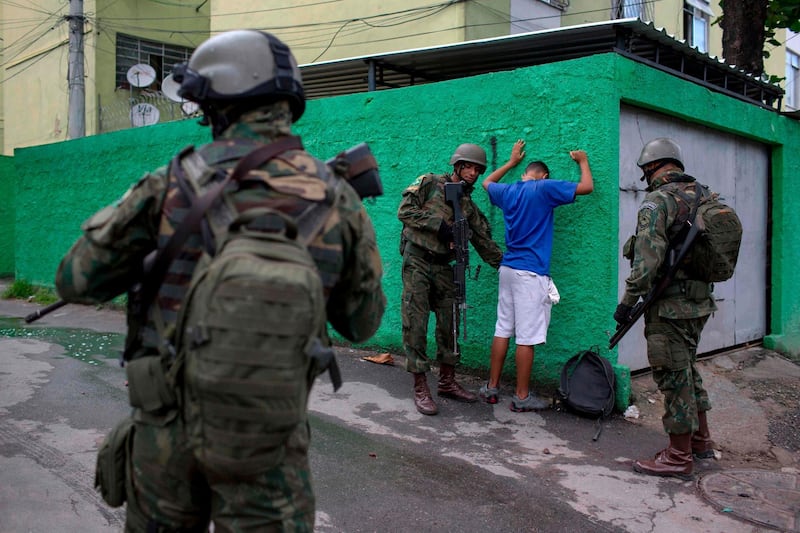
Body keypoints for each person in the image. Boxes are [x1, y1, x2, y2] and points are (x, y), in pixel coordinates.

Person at [55, 30, 386, 531]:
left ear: (216, 102)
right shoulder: (336, 195)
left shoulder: (171, 182)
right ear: (286, 103)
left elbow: (75, 281)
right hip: (267, 440)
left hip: (164, 435)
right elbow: (362, 323)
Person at [614, 137, 717, 481]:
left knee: (673, 376)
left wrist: (627, 304)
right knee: (687, 369)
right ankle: (700, 441)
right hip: (699, 303)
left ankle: (678, 456)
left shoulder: (658, 202)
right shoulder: (703, 195)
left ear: (650, 168)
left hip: (670, 307)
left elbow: (646, 262)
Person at [479, 140, 594, 411]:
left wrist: (511, 162)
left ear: (525, 173)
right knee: (527, 337)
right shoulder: (544, 187)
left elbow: (486, 183)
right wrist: (583, 161)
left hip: (507, 269)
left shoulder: (508, 191)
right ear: (544, 175)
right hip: (530, 273)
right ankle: (521, 397)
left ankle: (491, 387)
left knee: (502, 329)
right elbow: (587, 187)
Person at [397, 142, 503, 415]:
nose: (473, 173)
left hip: (445, 266)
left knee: (450, 324)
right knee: (416, 323)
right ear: (457, 165)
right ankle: (420, 385)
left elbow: (483, 241)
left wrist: (508, 266)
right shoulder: (429, 183)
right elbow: (405, 212)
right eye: (469, 167)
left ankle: (447, 381)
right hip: (418, 261)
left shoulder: (467, 206)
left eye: (478, 169)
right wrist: (439, 227)